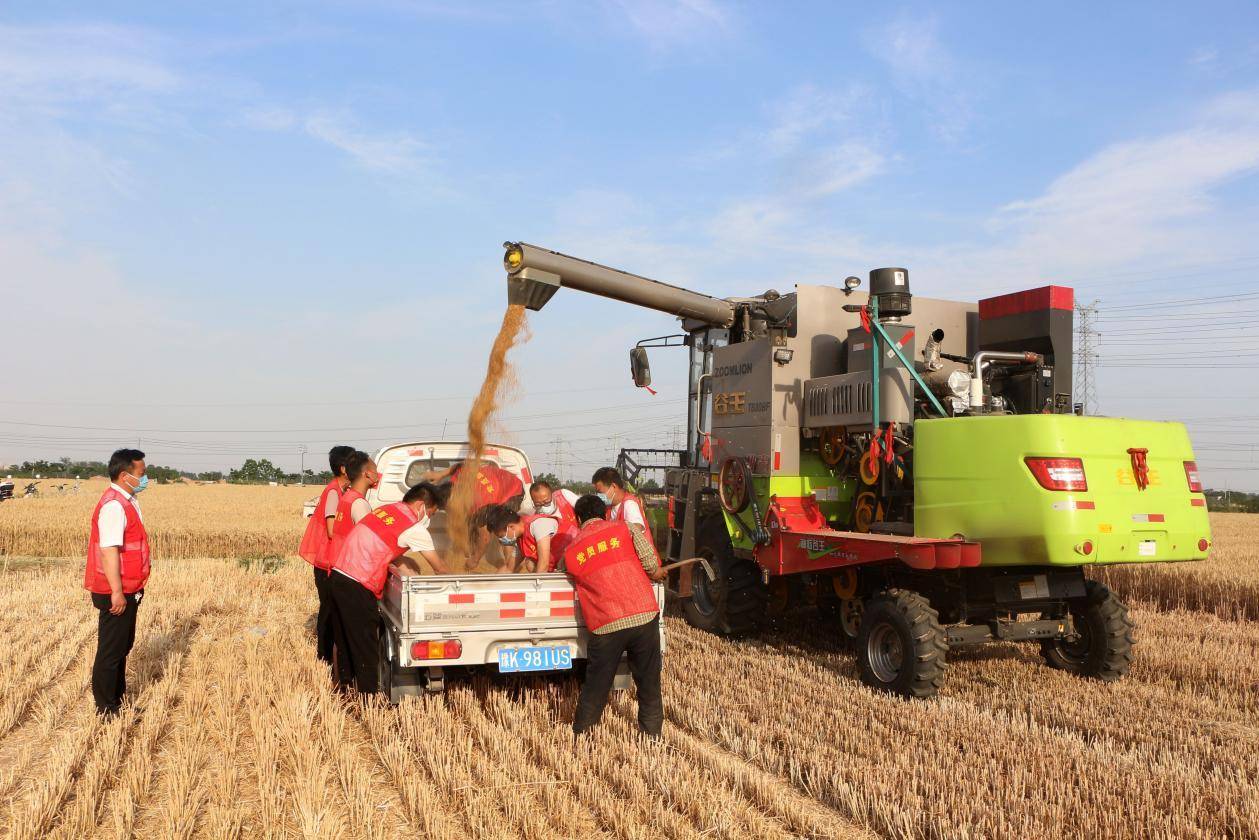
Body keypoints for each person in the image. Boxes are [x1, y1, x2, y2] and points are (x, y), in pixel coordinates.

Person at [327, 483, 447, 694]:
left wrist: (409, 564)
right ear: (421, 505)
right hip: (358, 582)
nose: (429, 517)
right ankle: (369, 698)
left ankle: (345, 688)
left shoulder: (388, 510)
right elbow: (440, 569)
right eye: (431, 512)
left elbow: (387, 547)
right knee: (365, 645)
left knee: (346, 639)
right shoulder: (414, 526)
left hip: (339, 575)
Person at [563, 494, 667, 738]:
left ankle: (582, 735)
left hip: (605, 622)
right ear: (606, 513)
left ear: (579, 519)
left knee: (597, 684)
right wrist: (656, 572)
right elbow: (650, 562)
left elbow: (566, 571)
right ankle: (652, 737)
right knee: (648, 681)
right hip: (642, 613)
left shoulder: (572, 551)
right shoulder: (625, 528)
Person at [84, 448, 151, 717]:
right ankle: (105, 708)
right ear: (125, 475)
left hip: (128, 586)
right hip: (116, 590)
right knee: (111, 651)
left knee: (122, 646)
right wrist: (117, 592)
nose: (145, 478)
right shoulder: (114, 506)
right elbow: (109, 550)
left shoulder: (128, 500)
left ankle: (118, 701)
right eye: (142, 473)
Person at [297, 445, 356, 674]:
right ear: (343, 468)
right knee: (329, 610)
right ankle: (324, 657)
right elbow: (332, 529)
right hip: (327, 563)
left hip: (331, 561)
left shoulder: (340, 490)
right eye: (353, 462)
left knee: (331, 609)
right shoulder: (333, 492)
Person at [485, 505, 577, 573]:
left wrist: (536, 590)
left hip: (577, 560)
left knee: (534, 564)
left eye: (501, 536)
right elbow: (509, 568)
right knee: (530, 563)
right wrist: (490, 585)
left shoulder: (538, 525)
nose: (502, 540)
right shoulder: (520, 540)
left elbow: (544, 563)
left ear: (511, 527)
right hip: (560, 564)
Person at [326, 451, 379, 566]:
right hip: (352, 568)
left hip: (339, 564)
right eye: (376, 471)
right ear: (367, 474)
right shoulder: (359, 503)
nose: (378, 475)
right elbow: (368, 542)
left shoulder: (347, 497)